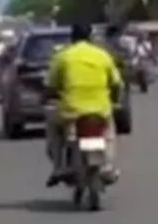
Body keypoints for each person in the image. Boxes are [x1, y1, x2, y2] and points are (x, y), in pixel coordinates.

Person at [44, 22, 120, 186]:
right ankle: (108, 166)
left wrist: (48, 97)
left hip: (71, 110)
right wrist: (115, 100)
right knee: (109, 135)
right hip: (100, 110)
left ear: (72, 38)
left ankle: (58, 166)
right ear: (91, 37)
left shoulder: (63, 56)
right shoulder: (102, 55)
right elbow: (116, 84)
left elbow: (50, 85)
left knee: (54, 128)